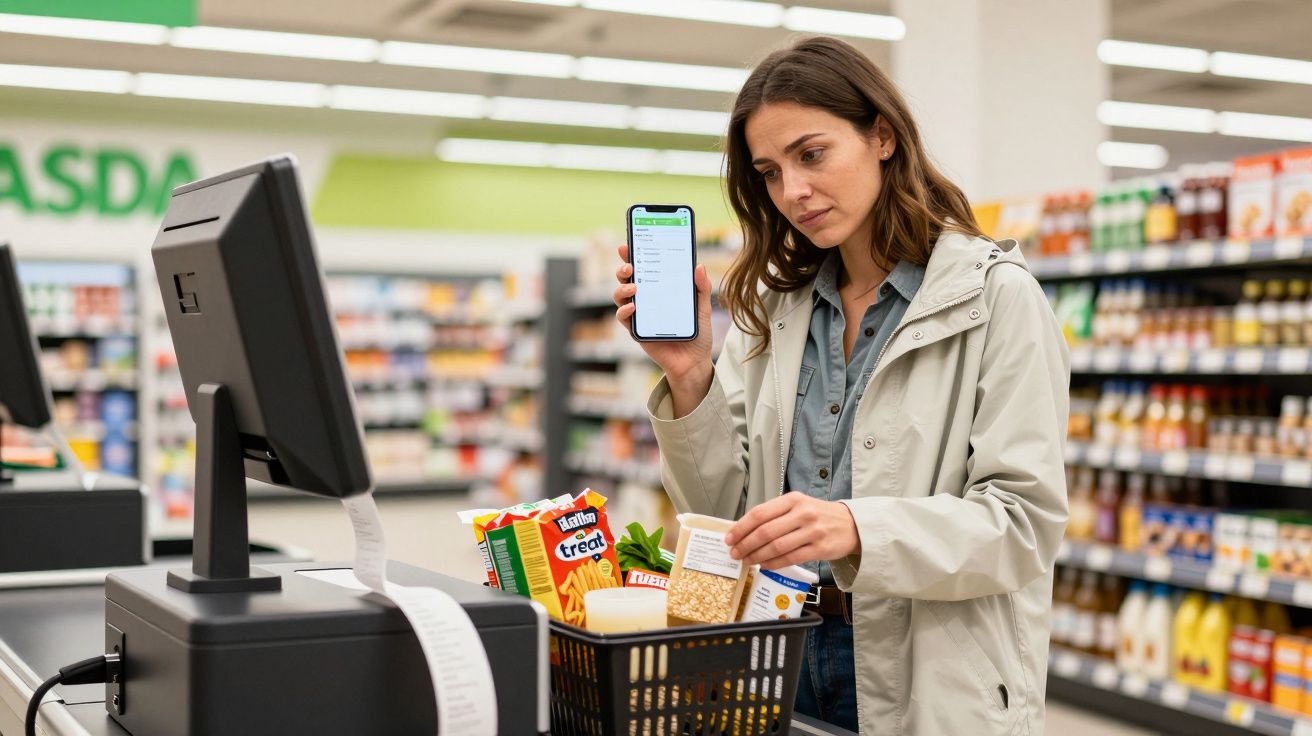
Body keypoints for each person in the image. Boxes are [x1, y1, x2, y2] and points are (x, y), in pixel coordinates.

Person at [611, 36, 1070, 735]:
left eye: (811, 154)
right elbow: (725, 518)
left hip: (928, 670)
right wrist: (689, 374)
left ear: (881, 136)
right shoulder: (777, 311)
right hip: (780, 653)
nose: (792, 191)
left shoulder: (997, 300)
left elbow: (1022, 527)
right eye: (768, 171)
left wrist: (857, 527)